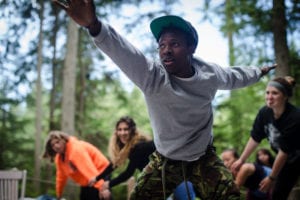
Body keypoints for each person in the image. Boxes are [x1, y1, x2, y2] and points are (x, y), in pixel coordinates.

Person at [52, 1, 275, 199]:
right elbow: (123, 52)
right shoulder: (152, 76)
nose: (166, 51)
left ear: (191, 48)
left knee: (231, 195)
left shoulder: (210, 75)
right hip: (164, 160)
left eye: (175, 44)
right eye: (161, 45)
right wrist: (94, 25)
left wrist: (261, 71)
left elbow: (237, 76)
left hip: (203, 159)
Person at [89, 116, 196, 200]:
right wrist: (97, 178)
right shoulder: (127, 147)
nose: (122, 132)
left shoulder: (139, 146)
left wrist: (109, 184)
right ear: (116, 132)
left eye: (126, 129)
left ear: (132, 130)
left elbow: (128, 173)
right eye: (120, 129)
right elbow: (113, 165)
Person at [231, 76, 300, 200]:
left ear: (285, 96)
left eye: (275, 93)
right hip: (288, 161)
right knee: (277, 195)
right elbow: (255, 138)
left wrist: (271, 178)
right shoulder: (264, 113)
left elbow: (284, 152)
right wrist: (241, 160)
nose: (269, 97)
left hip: (294, 157)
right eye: (267, 92)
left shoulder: (294, 117)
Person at [43, 130, 113, 200]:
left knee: (101, 196)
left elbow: (88, 169)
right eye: (53, 145)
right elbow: (60, 178)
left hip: (101, 171)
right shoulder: (59, 159)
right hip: (87, 179)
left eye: (57, 142)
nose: (56, 146)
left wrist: (102, 187)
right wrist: (59, 195)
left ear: (63, 140)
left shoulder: (75, 150)